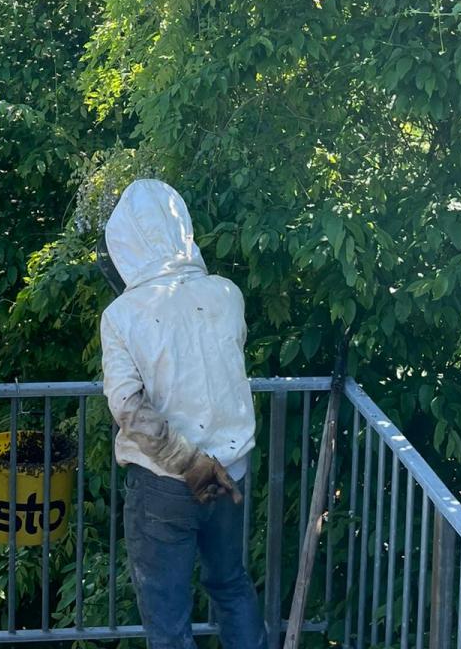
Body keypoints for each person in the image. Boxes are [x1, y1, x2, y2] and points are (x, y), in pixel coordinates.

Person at [99, 179, 267, 649]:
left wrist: (189, 462)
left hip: (165, 483)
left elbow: (127, 406)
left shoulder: (122, 314)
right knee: (231, 586)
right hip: (232, 472)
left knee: (168, 619)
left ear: (124, 241)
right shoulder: (226, 293)